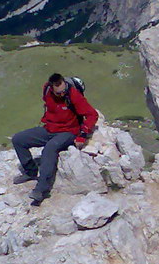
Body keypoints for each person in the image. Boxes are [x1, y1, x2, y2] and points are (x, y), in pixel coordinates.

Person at [11, 73, 98, 206]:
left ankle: (41, 190)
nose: (62, 94)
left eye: (63, 91)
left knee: (50, 149)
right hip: (50, 129)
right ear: (51, 88)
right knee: (18, 139)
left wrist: (82, 135)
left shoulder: (73, 94)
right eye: (59, 93)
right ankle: (31, 172)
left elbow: (92, 114)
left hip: (69, 131)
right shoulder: (47, 90)